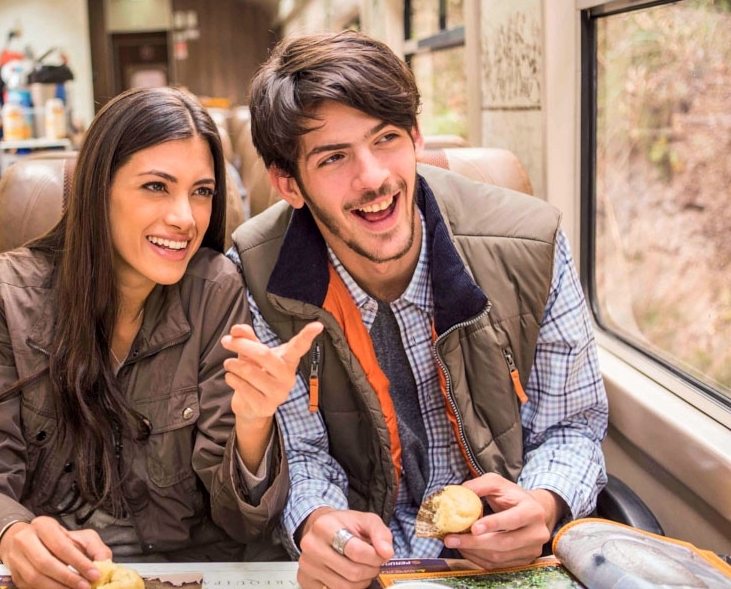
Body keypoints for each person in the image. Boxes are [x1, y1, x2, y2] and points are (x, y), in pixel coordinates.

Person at [224, 30, 608, 588]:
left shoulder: (533, 243)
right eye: (334, 157)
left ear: (416, 138)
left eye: (386, 140)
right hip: (367, 572)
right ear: (289, 183)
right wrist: (319, 521)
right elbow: (301, 454)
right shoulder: (257, 274)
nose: (374, 177)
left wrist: (544, 505)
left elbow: (572, 426)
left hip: (505, 565)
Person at [0, 86, 310, 589]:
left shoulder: (215, 291)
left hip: (187, 571)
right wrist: (12, 533)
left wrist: (252, 426)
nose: (185, 217)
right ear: (99, 188)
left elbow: (240, 522)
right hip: (62, 575)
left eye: (201, 191)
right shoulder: (6, 295)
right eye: (156, 186)